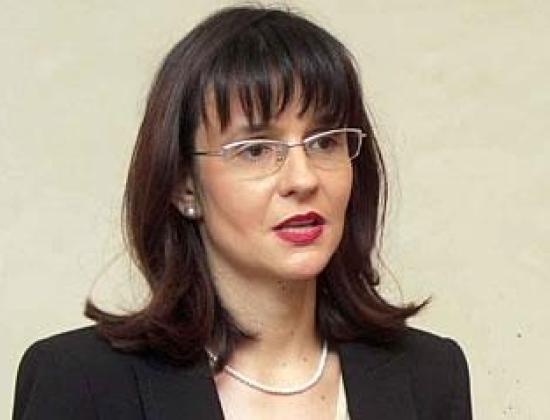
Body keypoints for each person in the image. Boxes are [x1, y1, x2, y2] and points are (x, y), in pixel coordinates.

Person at [12, 5, 472, 420]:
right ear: (184, 186)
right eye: (255, 149)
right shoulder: (80, 383)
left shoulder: (428, 375)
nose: (303, 178)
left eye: (325, 141)